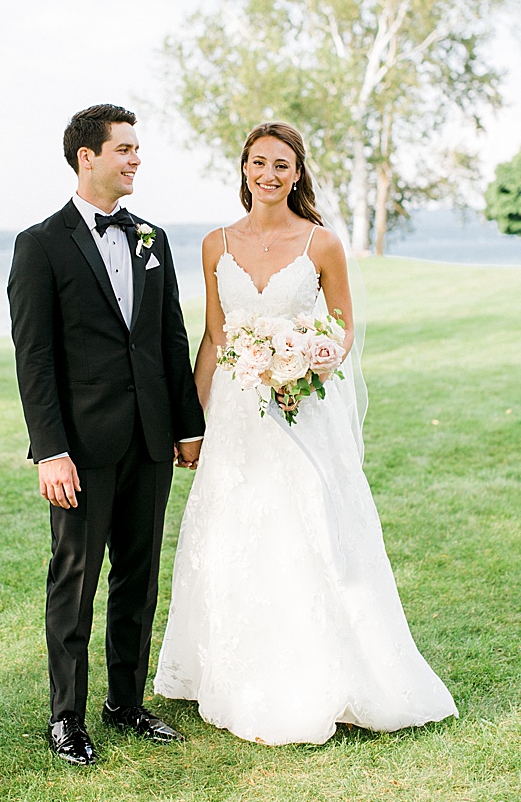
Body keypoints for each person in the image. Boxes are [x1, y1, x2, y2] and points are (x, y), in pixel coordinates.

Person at [153, 121, 458, 744]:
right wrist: (192, 422)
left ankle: (333, 672)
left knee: (310, 525)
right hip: (238, 416)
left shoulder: (323, 245)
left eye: (282, 166)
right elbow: (214, 336)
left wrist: (316, 354)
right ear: (244, 169)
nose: (269, 175)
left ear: (298, 175)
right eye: (259, 163)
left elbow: (342, 328)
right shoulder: (215, 244)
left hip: (301, 409)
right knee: (236, 528)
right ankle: (237, 672)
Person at [6, 104, 206, 766]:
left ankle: (126, 703)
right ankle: (66, 717)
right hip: (81, 448)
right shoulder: (40, 244)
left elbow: (170, 339)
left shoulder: (153, 239)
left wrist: (186, 426)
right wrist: (51, 449)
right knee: (76, 578)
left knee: (139, 578)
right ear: (86, 156)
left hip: (150, 438)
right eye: (124, 149)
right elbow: (33, 358)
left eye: (137, 149)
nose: (135, 159)